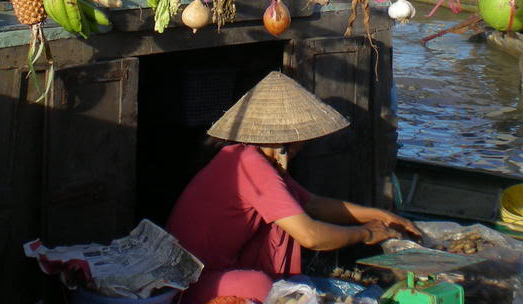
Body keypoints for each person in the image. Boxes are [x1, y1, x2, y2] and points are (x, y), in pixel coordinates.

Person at [167, 72, 420, 304]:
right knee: (263, 285)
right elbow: (311, 236)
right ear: (288, 139)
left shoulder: (246, 156)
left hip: (203, 270)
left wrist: (381, 216)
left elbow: (312, 204)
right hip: (192, 282)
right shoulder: (252, 166)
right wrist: (365, 234)